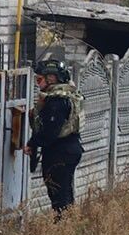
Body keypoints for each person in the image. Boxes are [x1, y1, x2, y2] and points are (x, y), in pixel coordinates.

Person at [24, 58, 84, 218]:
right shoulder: (67, 94)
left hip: (60, 152)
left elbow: (50, 131)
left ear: (52, 78)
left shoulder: (57, 101)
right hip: (70, 149)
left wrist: (32, 143)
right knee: (65, 192)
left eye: (39, 79)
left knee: (59, 194)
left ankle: (63, 228)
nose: (37, 84)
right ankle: (68, 225)